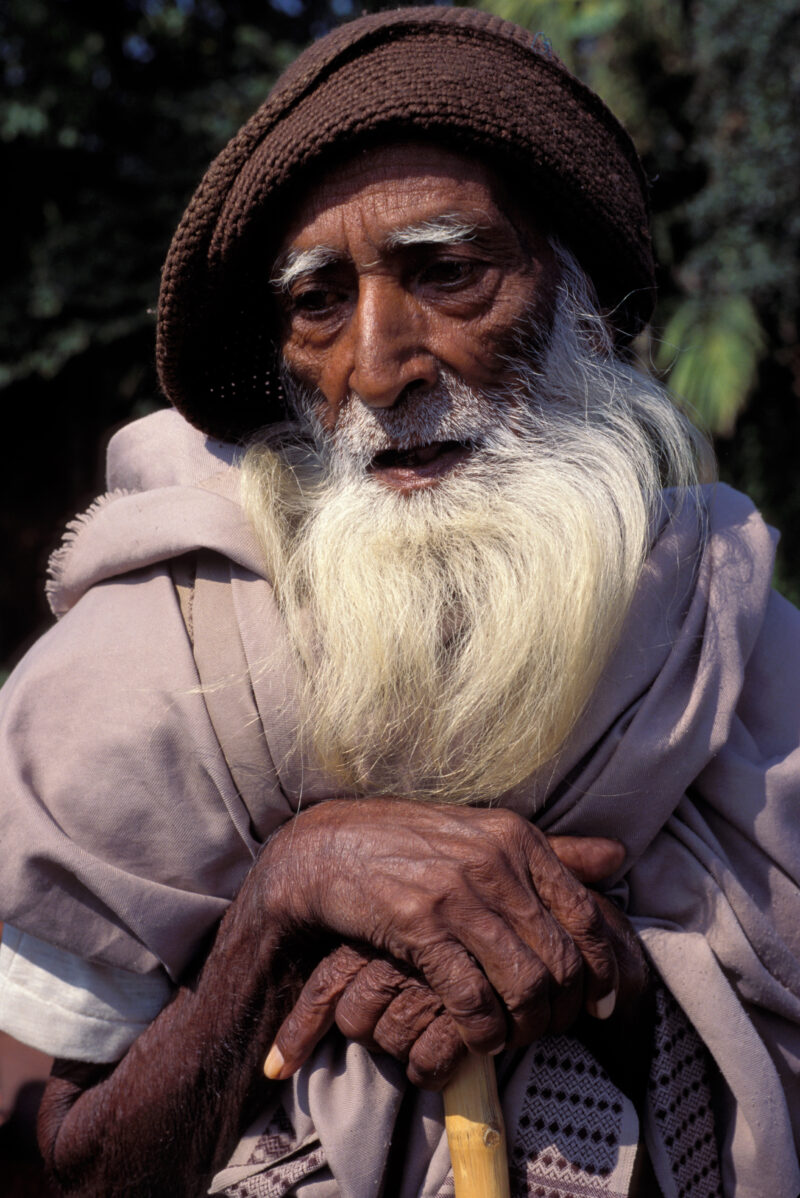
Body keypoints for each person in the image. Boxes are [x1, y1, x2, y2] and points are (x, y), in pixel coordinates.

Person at [0, 7, 798, 1196]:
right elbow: (37, 1164)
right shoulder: (153, 658)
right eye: (319, 301)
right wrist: (284, 903)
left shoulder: (720, 627)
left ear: (570, 301)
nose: (380, 365)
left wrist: (597, 968)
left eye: (445, 272)